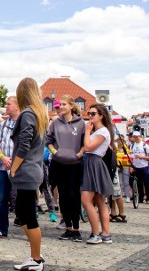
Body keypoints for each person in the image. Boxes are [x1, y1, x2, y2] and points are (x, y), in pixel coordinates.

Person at [9, 78, 48, 270]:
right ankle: (35, 255)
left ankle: (36, 259)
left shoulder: (27, 114)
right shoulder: (39, 114)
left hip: (26, 170)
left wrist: (14, 168)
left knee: (28, 215)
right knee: (24, 214)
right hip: (33, 169)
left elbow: (24, 145)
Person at [46, 94, 85, 242]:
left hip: (74, 164)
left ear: (71, 106)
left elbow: (84, 142)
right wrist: (55, 152)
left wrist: (80, 154)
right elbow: (49, 140)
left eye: (63, 104)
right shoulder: (55, 123)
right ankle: (68, 227)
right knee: (63, 195)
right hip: (59, 163)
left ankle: (76, 228)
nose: (60, 107)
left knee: (74, 195)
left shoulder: (80, 123)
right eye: (59, 104)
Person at [80, 103, 115, 245]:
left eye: (93, 113)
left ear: (101, 115)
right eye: (89, 113)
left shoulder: (102, 132)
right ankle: (105, 233)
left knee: (86, 200)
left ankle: (96, 233)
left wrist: (87, 131)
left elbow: (88, 146)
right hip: (92, 162)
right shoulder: (100, 131)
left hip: (94, 162)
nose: (90, 116)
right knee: (99, 200)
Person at [0, 95, 19, 239]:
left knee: (22, 197)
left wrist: (15, 160)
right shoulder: (2, 125)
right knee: (3, 198)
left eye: (8, 104)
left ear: (17, 106)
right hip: (3, 166)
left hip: (20, 167)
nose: (6, 107)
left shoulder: (23, 124)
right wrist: (2, 157)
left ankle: (28, 226)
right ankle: (2, 228)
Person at [129, 131, 149, 203]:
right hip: (136, 166)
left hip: (144, 166)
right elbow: (131, 156)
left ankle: (148, 198)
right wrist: (131, 166)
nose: (135, 138)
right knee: (138, 182)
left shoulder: (144, 145)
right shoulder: (132, 145)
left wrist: (141, 157)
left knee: (147, 182)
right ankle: (140, 197)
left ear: (140, 136)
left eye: (137, 137)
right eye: (134, 137)